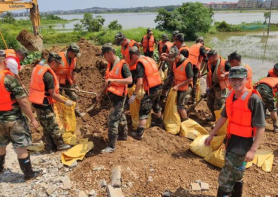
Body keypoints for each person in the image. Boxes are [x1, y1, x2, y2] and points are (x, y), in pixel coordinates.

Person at [205, 66, 265, 197]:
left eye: (239, 79)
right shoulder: (231, 95)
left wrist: (253, 150)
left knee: (225, 178)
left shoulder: (254, 99)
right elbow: (223, 117)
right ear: (229, 80)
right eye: (233, 79)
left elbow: (261, 127)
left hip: (243, 144)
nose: (236, 83)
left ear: (246, 79)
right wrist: (211, 134)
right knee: (237, 173)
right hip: (230, 139)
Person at [0, 50, 41, 181]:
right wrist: (33, 119)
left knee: (1, 144)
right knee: (21, 146)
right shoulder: (9, 78)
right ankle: (29, 174)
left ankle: (0, 169)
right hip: (14, 118)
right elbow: (23, 102)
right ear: (5, 61)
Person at [29, 52, 72, 153]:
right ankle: (61, 145)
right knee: (53, 125)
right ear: (53, 62)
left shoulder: (40, 66)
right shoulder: (48, 76)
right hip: (43, 104)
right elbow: (53, 94)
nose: (59, 66)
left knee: (46, 126)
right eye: (58, 64)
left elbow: (42, 60)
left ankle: (49, 147)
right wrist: (66, 101)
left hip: (37, 102)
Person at [98, 43, 132, 153]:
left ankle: (111, 146)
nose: (104, 57)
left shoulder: (122, 65)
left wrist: (114, 81)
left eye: (104, 55)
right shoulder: (110, 64)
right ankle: (123, 135)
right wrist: (100, 93)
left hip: (119, 97)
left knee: (112, 120)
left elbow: (129, 80)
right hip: (113, 96)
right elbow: (108, 81)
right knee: (121, 116)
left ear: (110, 53)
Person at [128, 47, 163, 140]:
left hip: (151, 89)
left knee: (143, 111)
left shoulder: (140, 63)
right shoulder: (149, 59)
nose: (132, 60)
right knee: (156, 106)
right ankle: (160, 122)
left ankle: (139, 133)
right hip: (159, 86)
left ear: (135, 55)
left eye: (132, 57)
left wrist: (134, 95)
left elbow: (139, 82)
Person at [55, 43, 84, 117]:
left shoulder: (74, 59)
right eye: (75, 54)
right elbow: (51, 69)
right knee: (58, 98)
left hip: (67, 80)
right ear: (70, 52)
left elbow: (74, 73)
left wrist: (76, 85)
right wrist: (54, 84)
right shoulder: (59, 56)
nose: (75, 56)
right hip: (57, 81)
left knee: (74, 97)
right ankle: (59, 114)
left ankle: (76, 112)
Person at [168, 46, 193, 121]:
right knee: (177, 104)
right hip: (178, 86)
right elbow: (175, 74)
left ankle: (185, 121)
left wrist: (178, 86)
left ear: (178, 54)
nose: (174, 60)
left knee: (180, 107)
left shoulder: (187, 64)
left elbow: (190, 79)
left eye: (175, 58)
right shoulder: (175, 62)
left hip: (185, 88)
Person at [206, 50, 231, 121]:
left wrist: (225, 74)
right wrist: (208, 86)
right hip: (212, 85)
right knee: (209, 103)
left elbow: (233, 71)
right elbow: (208, 75)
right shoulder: (209, 63)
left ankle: (218, 121)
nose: (209, 60)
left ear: (214, 56)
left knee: (218, 105)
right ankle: (214, 116)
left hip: (220, 87)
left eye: (210, 58)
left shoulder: (225, 63)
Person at [188, 37, 209, 103]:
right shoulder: (201, 47)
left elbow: (201, 61)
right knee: (193, 83)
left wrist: (200, 71)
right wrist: (201, 72)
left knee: (189, 82)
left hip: (188, 65)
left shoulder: (192, 46)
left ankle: (190, 96)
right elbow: (206, 61)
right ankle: (193, 99)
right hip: (194, 67)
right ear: (202, 42)